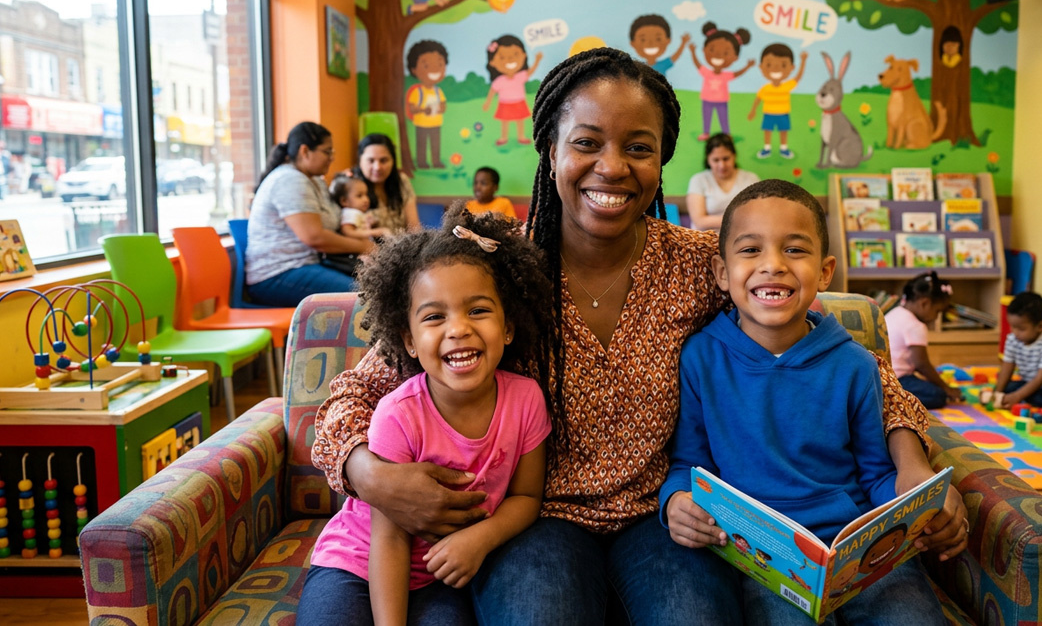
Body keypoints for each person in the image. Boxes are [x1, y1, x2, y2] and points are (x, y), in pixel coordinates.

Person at [311, 48, 966, 625]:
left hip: (663, 517)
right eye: (587, 142)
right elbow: (355, 390)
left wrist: (912, 463)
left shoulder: (702, 262)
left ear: (661, 161)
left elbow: (853, 362)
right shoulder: (497, 271)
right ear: (550, 149)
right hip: (538, 520)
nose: (612, 167)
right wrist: (369, 473)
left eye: (639, 147)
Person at [661, 180, 945, 625]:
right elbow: (690, 463)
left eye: (794, 250)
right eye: (751, 250)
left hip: (857, 549)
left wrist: (917, 509)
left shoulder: (854, 364)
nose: (772, 265)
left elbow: (874, 473)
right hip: (765, 558)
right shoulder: (700, 357)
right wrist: (675, 499)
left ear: (825, 271)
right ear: (721, 271)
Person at [297, 207, 555, 625]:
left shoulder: (526, 400)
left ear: (509, 327)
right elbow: (389, 539)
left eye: (478, 311)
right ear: (409, 342)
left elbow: (526, 498)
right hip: (358, 560)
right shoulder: (397, 415)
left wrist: (478, 539)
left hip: (440, 573)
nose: (458, 329)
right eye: (435, 317)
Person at [246, 122, 372, 307]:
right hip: (277, 274)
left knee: (377, 284)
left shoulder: (315, 181)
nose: (331, 158)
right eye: (327, 152)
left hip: (309, 265)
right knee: (365, 298)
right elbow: (314, 237)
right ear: (305, 151)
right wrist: (363, 246)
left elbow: (335, 222)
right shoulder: (290, 179)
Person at [886, 272, 963, 410]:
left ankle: (889, 396)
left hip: (882, 377)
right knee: (937, 395)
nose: (936, 316)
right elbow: (921, 364)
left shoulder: (895, 312)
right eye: (937, 311)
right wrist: (946, 388)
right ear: (924, 303)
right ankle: (893, 400)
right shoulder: (915, 325)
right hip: (898, 379)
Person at [687, 21, 755, 141]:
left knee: (723, 117)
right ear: (704, 50)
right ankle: (706, 133)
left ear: (735, 57)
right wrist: (692, 52)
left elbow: (737, 73)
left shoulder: (726, 75)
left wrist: (748, 67)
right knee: (707, 117)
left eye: (726, 53)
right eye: (712, 50)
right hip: (707, 100)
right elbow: (698, 64)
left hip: (721, 101)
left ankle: (726, 133)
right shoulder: (707, 72)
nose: (718, 55)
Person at [350, 134, 423, 234]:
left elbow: (414, 228)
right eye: (371, 161)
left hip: (403, 246)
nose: (377, 167)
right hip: (368, 248)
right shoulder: (350, 185)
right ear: (360, 161)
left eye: (383, 160)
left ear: (393, 161)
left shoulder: (402, 181)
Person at [686, 134, 759, 231]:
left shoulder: (751, 179)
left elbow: (758, 216)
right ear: (708, 160)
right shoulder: (698, 180)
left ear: (734, 156)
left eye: (726, 159)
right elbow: (699, 222)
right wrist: (739, 220)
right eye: (716, 160)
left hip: (743, 238)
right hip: (706, 241)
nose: (722, 165)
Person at [748, 43, 808, 159]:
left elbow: (798, 77)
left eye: (783, 65)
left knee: (783, 131)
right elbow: (758, 99)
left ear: (791, 67)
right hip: (768, 113)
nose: (775, 69)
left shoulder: (787, 86)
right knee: (767, 131)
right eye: (769, 64)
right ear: (761, 67)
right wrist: (753, 111)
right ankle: (767, 148)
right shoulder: (765, 88)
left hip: (783, 114)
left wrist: (803, 61)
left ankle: (784, 148)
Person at [482, 35, 544, 146]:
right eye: (502, 57)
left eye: (515, 54)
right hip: (505, 103)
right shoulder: (499, 80)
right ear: (493, 62)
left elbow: (531, 71)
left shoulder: (520, 76)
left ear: (524, 56)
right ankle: (503, 137)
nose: (510, 59)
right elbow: (492, 91)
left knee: (519, 120)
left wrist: (537, 60)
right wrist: (488, 103)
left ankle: (521, 137)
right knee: (505, 121)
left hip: (519, 102)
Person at [407, 40, 449, 170]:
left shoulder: (438, 91)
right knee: (421, 144)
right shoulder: (417, 91)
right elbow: (412, 107)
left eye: (440, 64)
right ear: (414, 70)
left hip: (436, 123)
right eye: (426, 66)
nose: (434, 69)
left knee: (436, 144)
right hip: (421, 124)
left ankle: (436, 161)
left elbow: (443, 104)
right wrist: (423, 110)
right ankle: (422, 162)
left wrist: (441, 108)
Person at [330, 174, 391, 240]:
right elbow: (347, 232)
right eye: (359, 196)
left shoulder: (357, 212)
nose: (366, 199)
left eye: (366, 194)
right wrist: (375, 232)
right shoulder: (350, 212)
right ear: (344, 201)